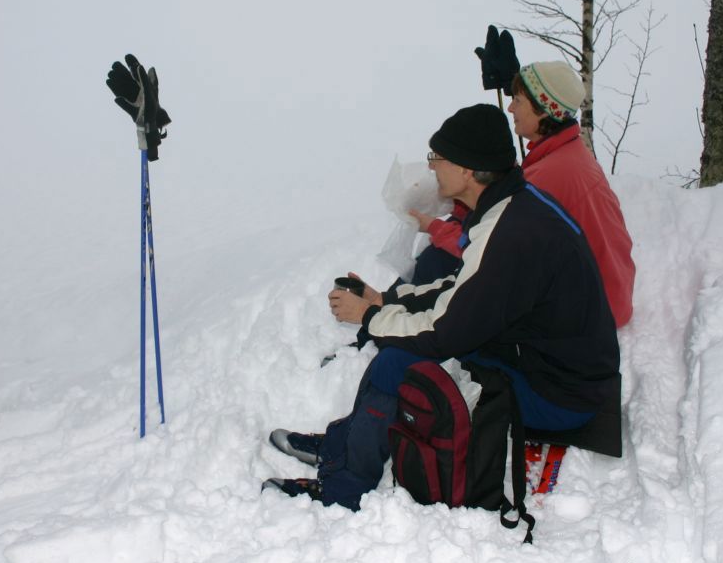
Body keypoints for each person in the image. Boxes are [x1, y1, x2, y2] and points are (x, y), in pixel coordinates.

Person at [264, 104, 620, 510]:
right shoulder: (512, 208)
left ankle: (344, 488)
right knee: (398, 346)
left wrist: (368, 317)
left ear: (468, 169)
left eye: (438, 157)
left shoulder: (511, 234)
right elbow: (461, 287)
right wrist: (386, 300)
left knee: (395, 363)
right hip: (546, 362)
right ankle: (345, 445)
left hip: (558, 394)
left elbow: (442, 333)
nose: (431, 166)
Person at [507, 62, 636, 328]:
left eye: (517, 100)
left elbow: (494, 246)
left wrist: (439, 227)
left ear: (543, 111)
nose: (510, 108)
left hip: (591, 312)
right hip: (609, 294)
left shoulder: (551, 173)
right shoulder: (568, 153)